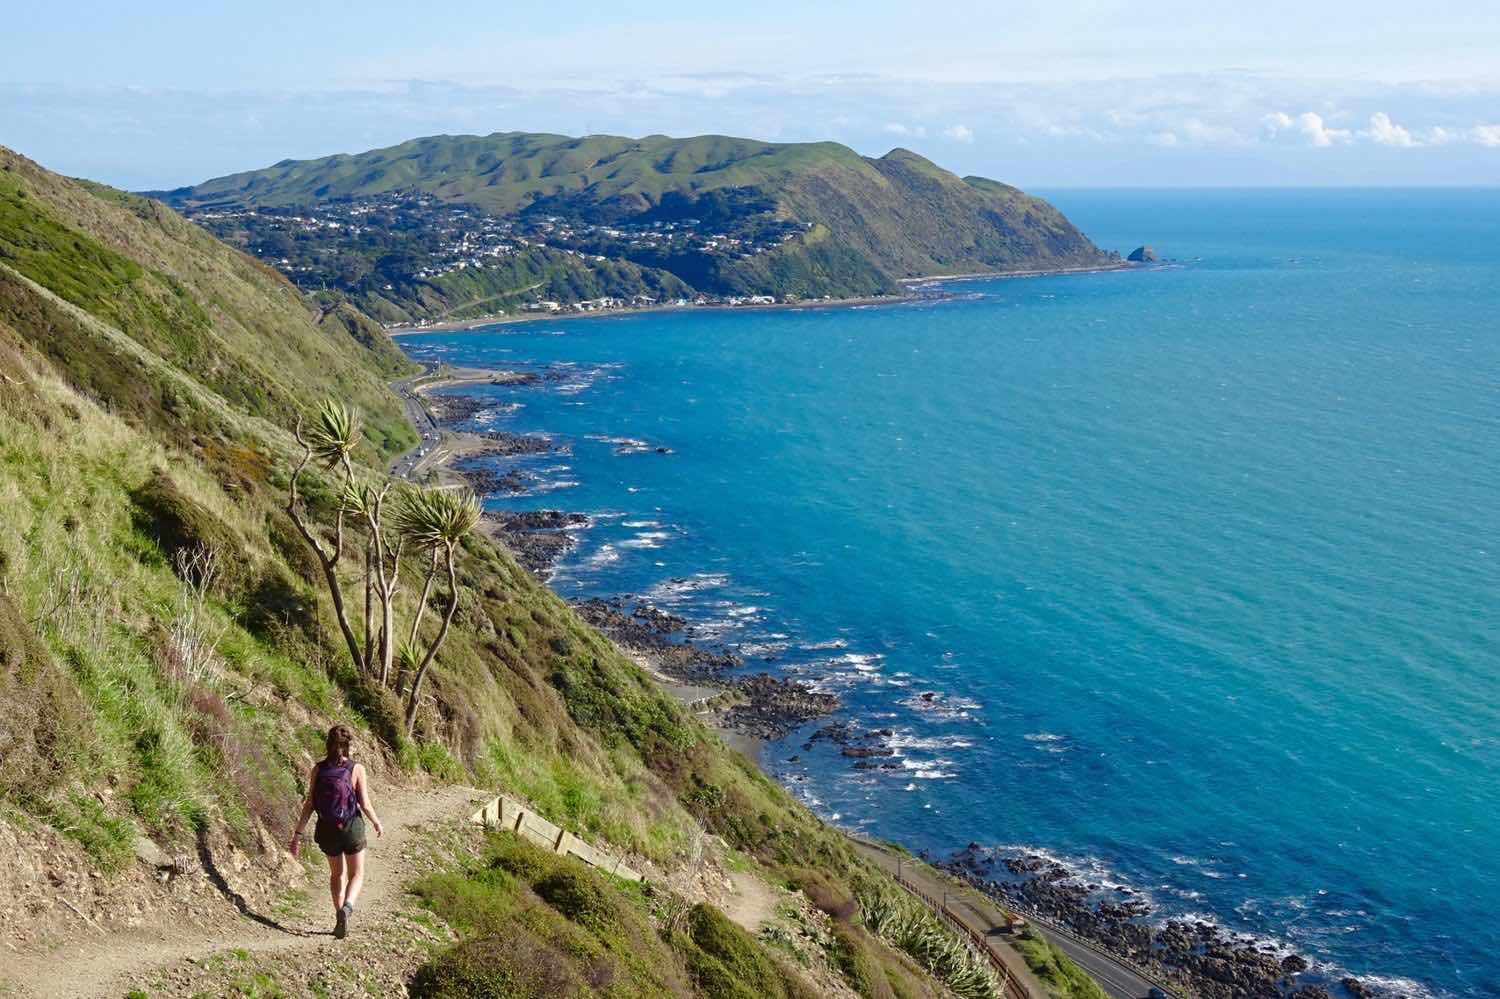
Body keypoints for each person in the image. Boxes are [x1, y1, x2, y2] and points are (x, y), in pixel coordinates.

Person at [289, 724, 384, 938]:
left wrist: (297, 834)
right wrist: (377, 822)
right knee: (357, 873)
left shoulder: (319, 769)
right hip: (351, 828)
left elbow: (309, 804)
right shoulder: (356, 768)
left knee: (336, 874)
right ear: (348, 744)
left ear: (328, 744)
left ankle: (337, 914)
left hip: (327, 830)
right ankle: (347, 909)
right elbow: (365, 803)